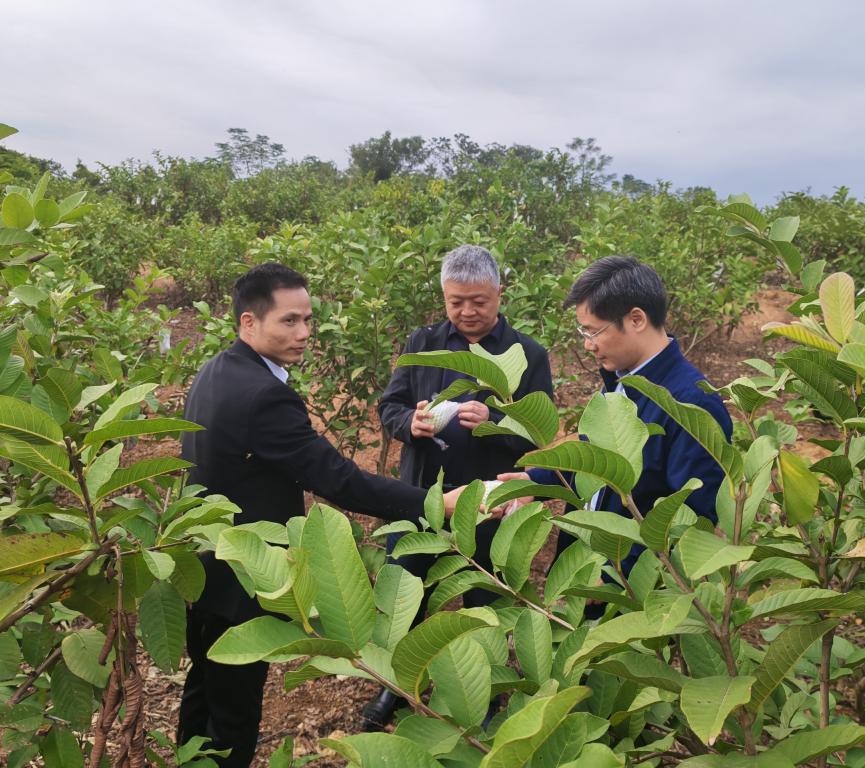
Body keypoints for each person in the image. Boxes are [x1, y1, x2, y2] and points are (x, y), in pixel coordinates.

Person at [176, 263, 463, 767]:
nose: (305, 332)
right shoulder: (265, 394)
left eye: (308, 319)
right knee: (234, 719)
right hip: (245, 578)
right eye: (289, 321)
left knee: (204, 693)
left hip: (203, 566)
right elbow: (336, 478)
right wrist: (433, 503)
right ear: (249, 322)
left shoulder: (217, 370)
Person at [364, 245, 553, 730]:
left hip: (489, 502)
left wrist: (498, 420)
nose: (467, 311)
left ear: (499, 294)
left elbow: (541, 431)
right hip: (422, 495)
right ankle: (398, 685)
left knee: (484, 602)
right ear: (444, 297)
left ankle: (483, 696)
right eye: (456, 302)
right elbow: (390, 407)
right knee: (404, 592)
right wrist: (410, 424)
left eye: (478, 301)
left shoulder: (527, 354)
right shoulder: (423, 343)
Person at [502, 255, 732, 575]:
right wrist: (536, 482)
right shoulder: (620, 382)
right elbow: (596, 463)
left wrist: (619, 574)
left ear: (636, 319)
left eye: (593, 331)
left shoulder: (691, 405)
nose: (587, 345)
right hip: (591, 570)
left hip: (629, 587)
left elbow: (691, 522)